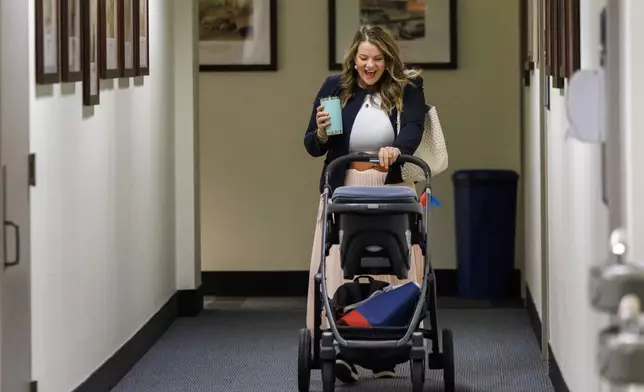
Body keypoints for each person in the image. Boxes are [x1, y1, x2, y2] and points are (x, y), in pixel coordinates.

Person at [303, 25, 427, 385]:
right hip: (346, 187)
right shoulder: (336, 89)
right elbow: (312, 145)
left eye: (377, 59)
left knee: (391, 268)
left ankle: (385, 352)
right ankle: (344, 350)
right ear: (353, 58)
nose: (369, 66)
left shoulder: (408, 89)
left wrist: (397, 150)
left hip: (390, 187)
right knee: (343, 267)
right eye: (363, 58)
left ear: (388, 60)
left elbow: (413, 130)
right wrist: (323, 133)